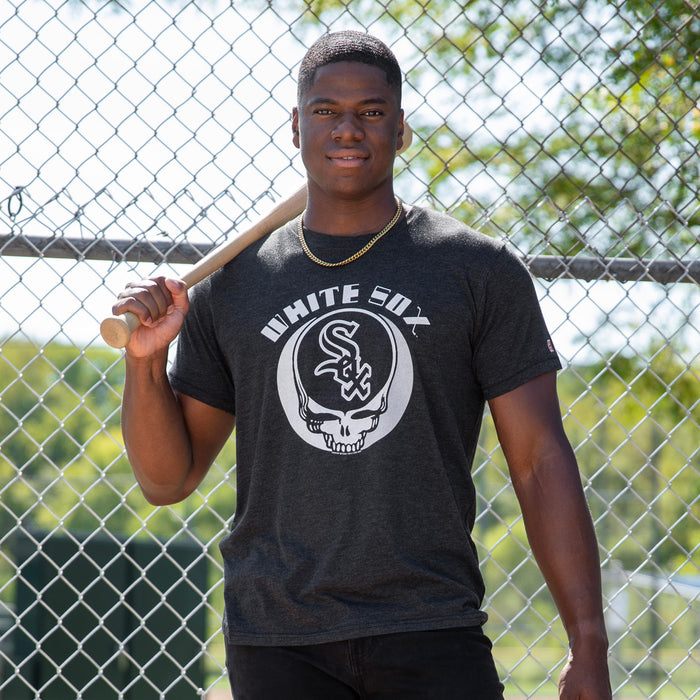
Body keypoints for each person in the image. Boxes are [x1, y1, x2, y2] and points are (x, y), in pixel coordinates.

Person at [112, 30, 612, 699]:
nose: (348, 129)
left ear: (401, 130)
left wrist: (588, 641)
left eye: (371, 112)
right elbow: (167, 479)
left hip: (431, 624)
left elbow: (538, 460)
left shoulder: (476, 270)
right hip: (277, 637)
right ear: (296, 127)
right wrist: (146, 362)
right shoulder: (233, 287)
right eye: (326, 111)